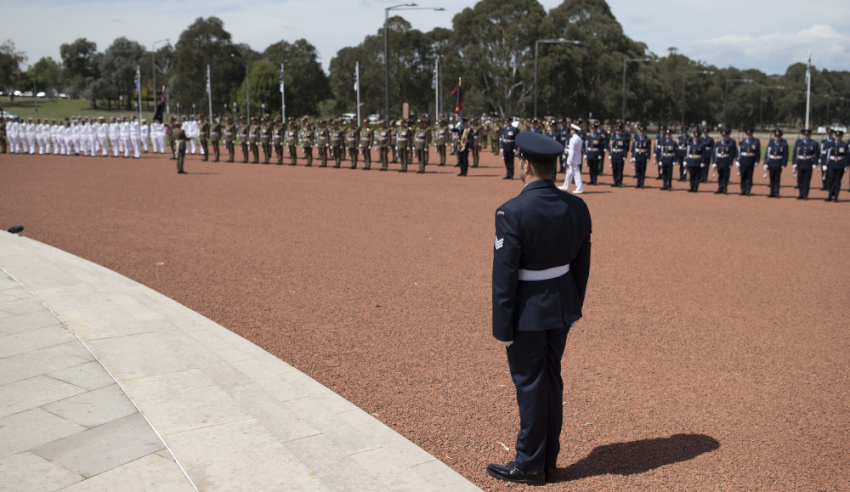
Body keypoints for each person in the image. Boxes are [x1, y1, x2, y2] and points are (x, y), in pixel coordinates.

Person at [488, 130, 592, 487]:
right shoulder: (576, 206)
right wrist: (573, 306)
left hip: (527, 311)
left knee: (531, 386)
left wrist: (502, 327)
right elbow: (581, 265)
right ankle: (547, 460)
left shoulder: (512, 211)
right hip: (561, 305)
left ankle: (531, 464)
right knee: (550, 382)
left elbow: (505, 276)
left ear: (526, 165)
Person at [794, 129, 819, 200]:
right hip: (800, 162)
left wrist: (815, 163)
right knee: (800, 179)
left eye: (808, 135)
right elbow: (795, 153)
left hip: (808, 163)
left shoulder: (814, 143)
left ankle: (805, 194)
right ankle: (800, 193)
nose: (806, 136)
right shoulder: (798, 142)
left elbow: (817, 154)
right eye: (805, 135)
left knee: (807, 179)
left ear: (810, 135)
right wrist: (794, 163)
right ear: (802, 135)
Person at [764, 129, 789, 198]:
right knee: (771, 177)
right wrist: (765, 163)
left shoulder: (784, 144)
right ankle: (771, 192)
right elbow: (767, 154)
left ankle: (776, 192)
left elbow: (785, 155)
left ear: (780, 137)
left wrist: (784, 164)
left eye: (778, 136)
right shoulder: (771, 143)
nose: (777, 137)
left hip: (778, 162)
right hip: (771, 162)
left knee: (777, 178)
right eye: (776, 136)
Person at [559, 124, 584, 194]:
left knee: (576, 174)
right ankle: (565, 186)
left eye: (571, 130)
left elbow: (572, 151)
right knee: (569, 173)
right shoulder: (579, 138)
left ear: (574, 131)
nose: (570, 131)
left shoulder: (573, 139)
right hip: (576, 158)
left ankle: (579, 188)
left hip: (573, 159)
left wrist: (569, 160)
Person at [824, 130, 847, 202]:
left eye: (839, 136)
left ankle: (836, 196)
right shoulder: (831, 144)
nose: (838, 137)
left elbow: (847, 156)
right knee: (830, 179)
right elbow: (826, 154)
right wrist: (824, 164)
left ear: (841, 137)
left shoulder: (844, 145)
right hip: (831, 164)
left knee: (837, 181)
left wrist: (846, 165)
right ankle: (830, 195)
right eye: (837, 136)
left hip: (840, 164)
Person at [712, 129, 737, 194]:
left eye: (725, 136)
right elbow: (714, 153)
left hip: (726, 162)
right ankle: (720, 187)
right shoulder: (717, 144)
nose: (723, 137)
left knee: (726, 176)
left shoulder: (729, 144)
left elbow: (731, 154)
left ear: (727, 136)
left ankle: (724, 188)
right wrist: (713, 162)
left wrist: (730, 163)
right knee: (720, 175)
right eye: (722, 136)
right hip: (719, 162)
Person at [737, 128, 760, 195]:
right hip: (743, 161)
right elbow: (738, 152)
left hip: (751, 161)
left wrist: (757, 161)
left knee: (749, 176)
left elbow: (758, 152)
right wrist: (737, 160)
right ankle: (743, 189)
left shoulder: (755, 142)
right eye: (747, 135)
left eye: (750, 135)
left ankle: (748, 190)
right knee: (743, 176)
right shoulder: (741, 142)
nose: (748, 136)